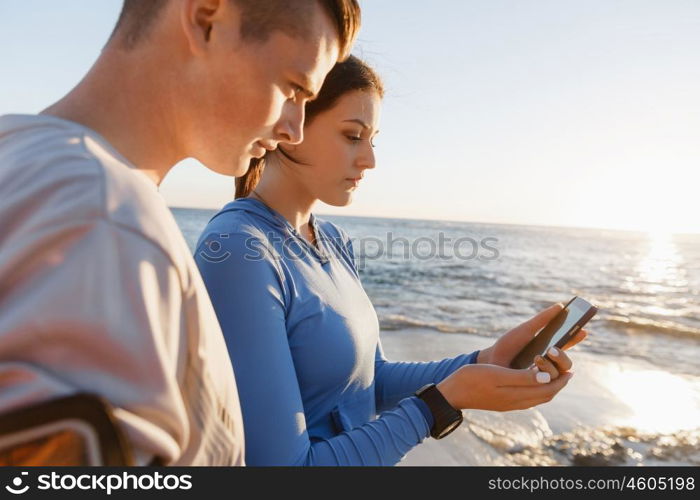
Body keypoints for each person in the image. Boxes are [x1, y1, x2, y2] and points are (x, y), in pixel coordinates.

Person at [0, 0, 360, 465]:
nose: (294, 129)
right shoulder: (104, 219)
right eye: (294, 88)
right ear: (207, 19)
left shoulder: (22, 156)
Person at [194, 56, 588, 465]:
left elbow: (370, 383)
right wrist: (440, 404)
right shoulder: (238, 250)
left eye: (372, 140)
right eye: (351, 136)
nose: (370, 160)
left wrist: (481, 362)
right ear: (289, 124)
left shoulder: (332, 240)